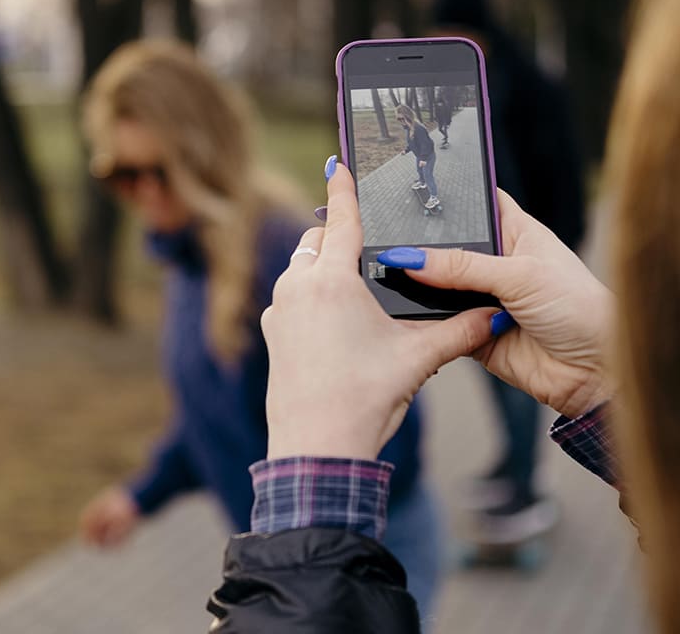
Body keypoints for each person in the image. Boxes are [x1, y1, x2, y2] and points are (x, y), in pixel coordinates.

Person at [208, 0, 680, 631]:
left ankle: (518, 484)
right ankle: (514, 479)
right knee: (511, 393)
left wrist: (313, 482)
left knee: (514, 411)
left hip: (521, 268)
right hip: (517, 286)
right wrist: (606, 386)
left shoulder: (528, 86)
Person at [73, 40, 445, 615]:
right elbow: (214, 417)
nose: (142, 192)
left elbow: (393, 419)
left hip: (362, 552)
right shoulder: (193, 262)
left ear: (200, 153)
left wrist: (307, 564)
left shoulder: (280, 258)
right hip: (293, 558)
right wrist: (139, 496)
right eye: (121, 174)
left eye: (158, 171)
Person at [431, 0, 586, 537]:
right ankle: (509, 463)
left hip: (535, 249)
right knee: (497, 366)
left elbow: (560, 170)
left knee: (524, 374)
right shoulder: (473, 79)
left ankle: (526, 484)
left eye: (451, 30)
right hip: (491, 246)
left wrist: (560, 246)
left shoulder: (527, 83)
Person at [395, 104, 440, 210]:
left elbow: (426, 144)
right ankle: (422, 182)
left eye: (402, 118)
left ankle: (434, 197)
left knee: (428, 175)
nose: (400, 121)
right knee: (419, 170)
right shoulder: (408, 128)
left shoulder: (418, 128)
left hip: (428, 156)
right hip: (420, 155)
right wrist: (406, 150)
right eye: (398, 119)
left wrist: (424, 159)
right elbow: (413, 143)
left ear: (408, 116)